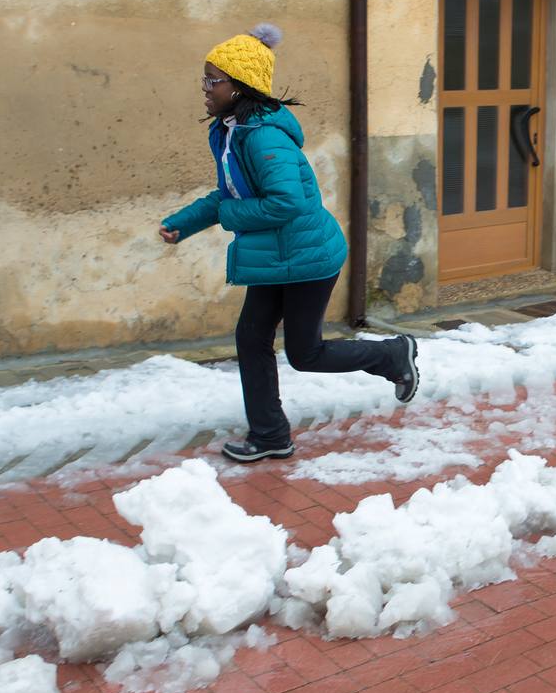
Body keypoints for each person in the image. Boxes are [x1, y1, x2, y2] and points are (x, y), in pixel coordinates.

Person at [159, 23, 419, 462]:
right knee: (251, 337)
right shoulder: (231, 131)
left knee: (305, 352)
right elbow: (230, 194)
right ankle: (271, 436)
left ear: (239, 87)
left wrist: (225, 216)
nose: (204, 88)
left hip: (307, 257)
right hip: (277, 255)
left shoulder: (261, 136)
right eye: (204, 78)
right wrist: (182, 224)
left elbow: (286, 202)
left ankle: (394, 354)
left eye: (212, 80)